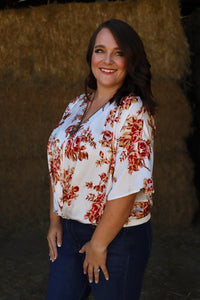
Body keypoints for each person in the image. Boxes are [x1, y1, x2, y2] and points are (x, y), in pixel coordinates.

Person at [46, 19, 156, 300]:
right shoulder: (77, 105)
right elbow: (60, 168)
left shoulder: (133, 110)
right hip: (70, 232)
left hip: (117, 237)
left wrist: (99, 243)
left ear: (131, 60)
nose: (107, 60)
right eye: (100, 50)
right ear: (90, 56)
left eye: (118, 53)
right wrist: (55, 221)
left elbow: (128, 184)